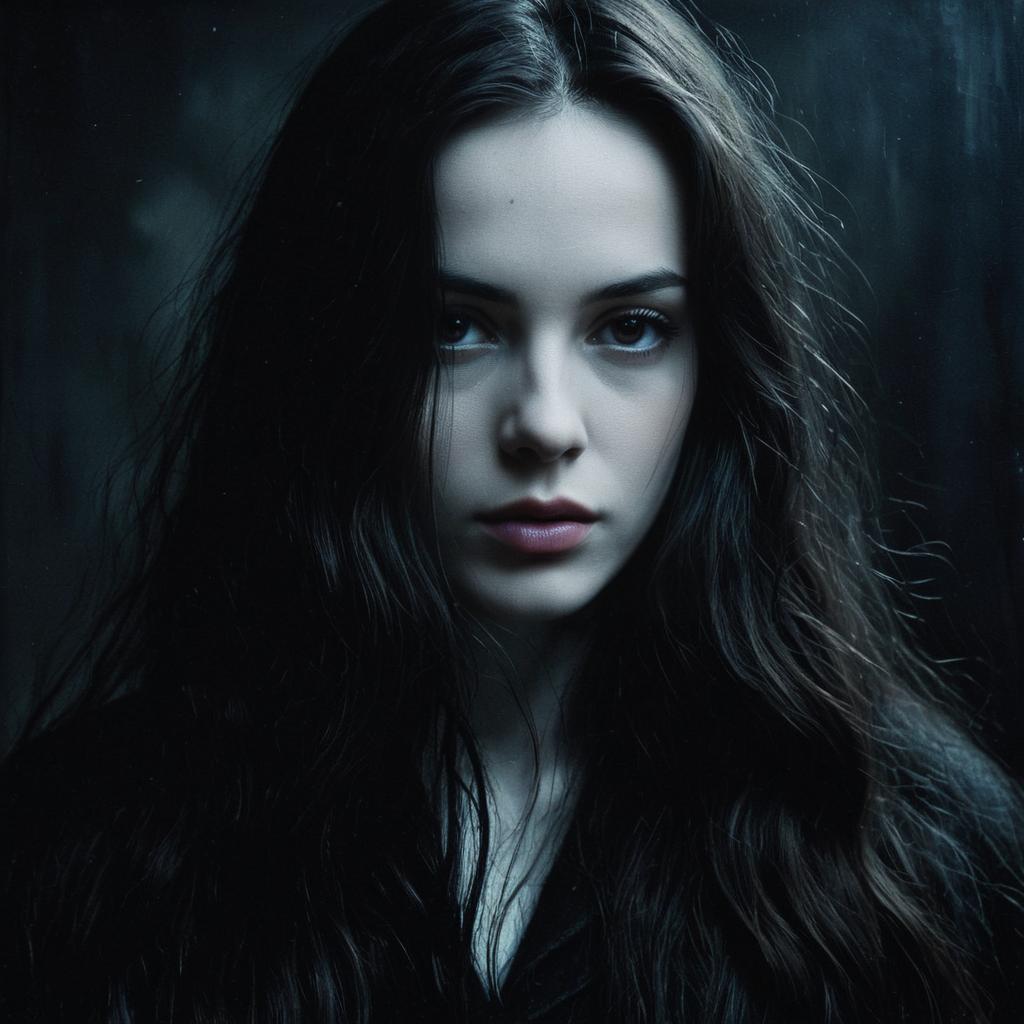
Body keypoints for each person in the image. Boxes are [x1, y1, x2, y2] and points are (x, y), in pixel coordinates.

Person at [1, 0, 1021, 1020]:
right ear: (331, 352)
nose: (543, 423)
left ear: (717, 368)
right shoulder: (87, 856)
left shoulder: (912, 860)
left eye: (628, 328)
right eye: (456, 327)